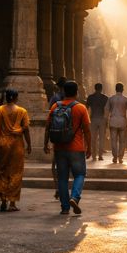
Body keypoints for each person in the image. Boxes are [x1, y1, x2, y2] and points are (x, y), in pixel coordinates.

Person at [44, 81, 91, 215]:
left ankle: (65, 207)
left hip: (59, 148)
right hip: (76, 148)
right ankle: (75, 197)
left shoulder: (55, 107)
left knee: (62, 178)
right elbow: (87, 130)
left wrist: (45, 144)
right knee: (80, 174)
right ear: (77, 92)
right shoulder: (81, 108)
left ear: (64, 92)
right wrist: (89, 147)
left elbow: (48, 128)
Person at [0, 89, 31, 212]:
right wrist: (29, 144)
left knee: (1, 171)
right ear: (16, 98)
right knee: (15, 173)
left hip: (1, 145)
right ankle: (12, 203)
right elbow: (26, 129)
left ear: (6, 98)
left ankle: (3, 200)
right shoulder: (22, 111)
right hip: (16, 146)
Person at [48, 77, 66, 198]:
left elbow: (49, 116)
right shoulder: (73, 100)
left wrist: (45, 142)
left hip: (57, 133)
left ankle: (57, 187)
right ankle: (64, 187)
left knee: (55, 164)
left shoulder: (55, 98)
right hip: (69, 135)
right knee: (67, 164)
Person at [105, 82, 127, 163]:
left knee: (113, 140)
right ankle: (120, 157)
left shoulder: (111, 99)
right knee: (122, 141)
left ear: (115, 89)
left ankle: (115, 157)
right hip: (122, 121)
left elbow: (106, 111)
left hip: (113, 121)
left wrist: (106, 122)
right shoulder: (126, 99)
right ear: (122, 89)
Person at [85, 83, 109, 160]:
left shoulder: (90, 97)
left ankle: (94, 155)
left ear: (95, 88)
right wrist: (107, 120)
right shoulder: (105, 98)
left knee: (93, 138)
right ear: (101, 89)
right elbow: (107, 110)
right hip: (102, 119)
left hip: (93, 119)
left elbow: (86, 108)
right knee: (101, 138)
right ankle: (100, 155)